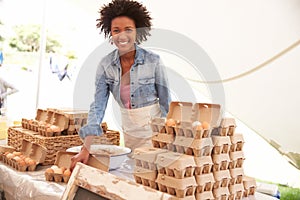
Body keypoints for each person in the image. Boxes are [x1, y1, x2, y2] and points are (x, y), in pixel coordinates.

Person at [70, 0, 171, 170]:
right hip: (130, 132)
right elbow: (98, 107)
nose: (122, 35)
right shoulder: (105, 65)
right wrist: (86, 148)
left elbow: (167, 104)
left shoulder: (153, 61)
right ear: (110, 33)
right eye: (116, 30)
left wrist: (168, 140)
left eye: (128, 30)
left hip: (156, 134)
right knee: (133, 172)